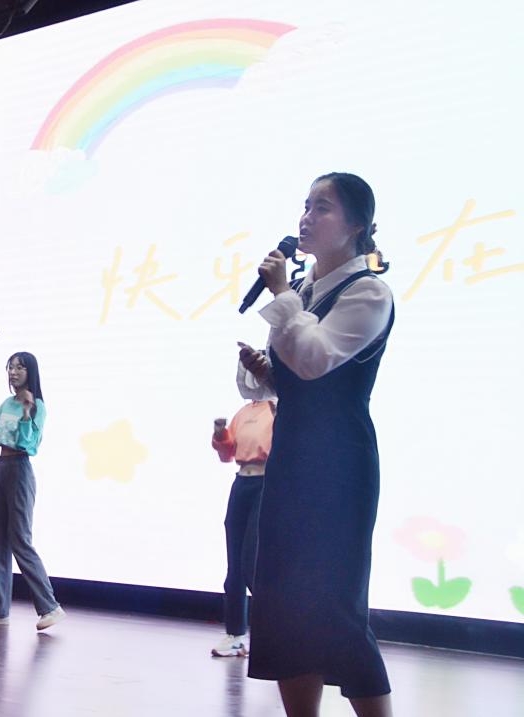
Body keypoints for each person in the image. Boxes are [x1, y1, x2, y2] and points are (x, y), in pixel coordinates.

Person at [238, 173, 394, 716]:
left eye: (321, 208)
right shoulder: (304, 291)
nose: (306, 217)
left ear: (356, 225)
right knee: (281, 602)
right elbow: (288, 379)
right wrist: (261, 369)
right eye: (305, 205)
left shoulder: (368, 291)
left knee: (335, 606)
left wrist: (282, 295)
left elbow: (314, 360)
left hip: (340, 466)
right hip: (293, 458)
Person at [0, 351, 64, 631]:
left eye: (20, 368)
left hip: (20, 470)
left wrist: (25, 414)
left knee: (20, 539)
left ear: (30, 372)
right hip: (1, 468)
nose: (13, 372)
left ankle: (50, 606)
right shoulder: (7, 403)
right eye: (10, 367)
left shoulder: (38, 406)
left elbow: (28, 444)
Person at [209, 399, 275, 656]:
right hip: (242, 483)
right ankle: (235, 636)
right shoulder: (245, 412)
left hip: (267, 483)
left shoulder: (280, 408)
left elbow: (290, 448)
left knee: (252, 562)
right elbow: (227, 455)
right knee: (235, 565)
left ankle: (274, 634)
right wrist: (220, 434)